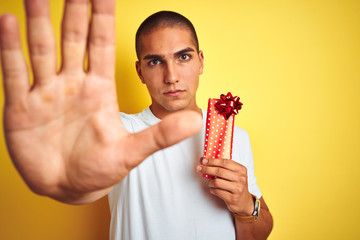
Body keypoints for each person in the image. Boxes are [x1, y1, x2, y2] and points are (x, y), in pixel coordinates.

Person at [0, 0, 273, 239]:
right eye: (155, 62)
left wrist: (246, 206)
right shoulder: (119, 132)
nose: (172, 76)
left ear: (200, 61)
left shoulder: (236, 137)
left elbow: (256, 236)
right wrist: (66, 180)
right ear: (140, 71)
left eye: (183, 57)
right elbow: (88, 176)